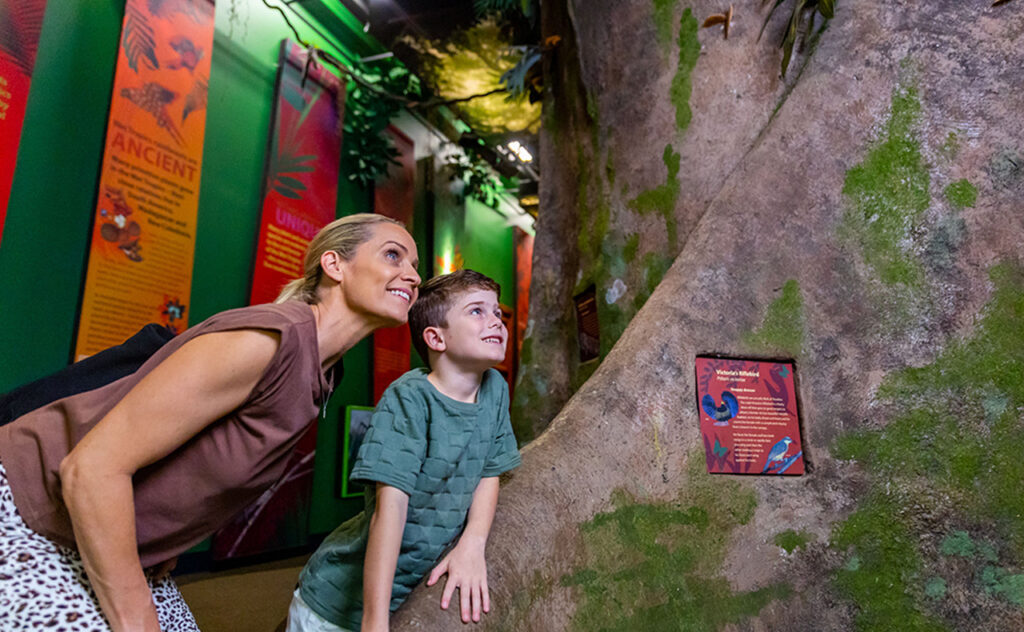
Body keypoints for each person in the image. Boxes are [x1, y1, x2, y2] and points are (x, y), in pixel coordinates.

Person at [0, 213, 421, 631]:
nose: (412, 276)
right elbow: (91, 468)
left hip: (99, 533)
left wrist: (160, 538)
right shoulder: (270, 340)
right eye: (393, 255)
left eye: (415, 267)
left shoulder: (323, 373)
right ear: (334, 266)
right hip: (28, 511)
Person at [288, 269, 521, 632]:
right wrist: (374, 621)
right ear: (435, 337)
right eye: (477, 311)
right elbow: (390, 509)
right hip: (339, 606)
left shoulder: (495, 390)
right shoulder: (409, 398)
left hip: (412, 596)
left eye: (496, 312)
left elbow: (489, 471)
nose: (496, 321)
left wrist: (473, 543)